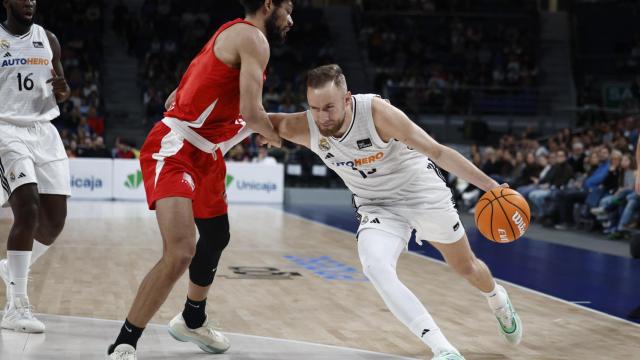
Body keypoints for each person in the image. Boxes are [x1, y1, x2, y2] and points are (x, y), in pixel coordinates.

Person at [266, 64, 522, 359]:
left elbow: (437, 151)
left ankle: (497, 299)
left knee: (466, 268)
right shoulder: (306, 126)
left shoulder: (376, 114)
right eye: (314, 108)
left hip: (420, 192)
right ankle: (443, 348)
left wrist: (491, 187)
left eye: (329, 108)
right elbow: (254, 119)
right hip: (377, 205)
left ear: (347, 99)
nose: (322, 117)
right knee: (375, 266)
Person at [105, 1, 294, 359]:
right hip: (177, 147)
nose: (292, 19)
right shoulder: (254, 38)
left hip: (207, 152)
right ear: (269, 5)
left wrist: (184, 93)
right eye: (288, 8)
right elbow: (254, 114)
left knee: (217, 235)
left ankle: (193, 320)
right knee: (180, 251)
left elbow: (198, 80)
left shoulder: (232, 32)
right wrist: (276, 137)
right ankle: (124, 343)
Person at [0, 0, 71, 333]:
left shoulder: (49, 39)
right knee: (26, 209)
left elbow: (63, 88)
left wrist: (63, 91)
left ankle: (10, 269)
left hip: (44, 131)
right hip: (6, 129)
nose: (29, 2)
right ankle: (16, 306)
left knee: (54, 222)